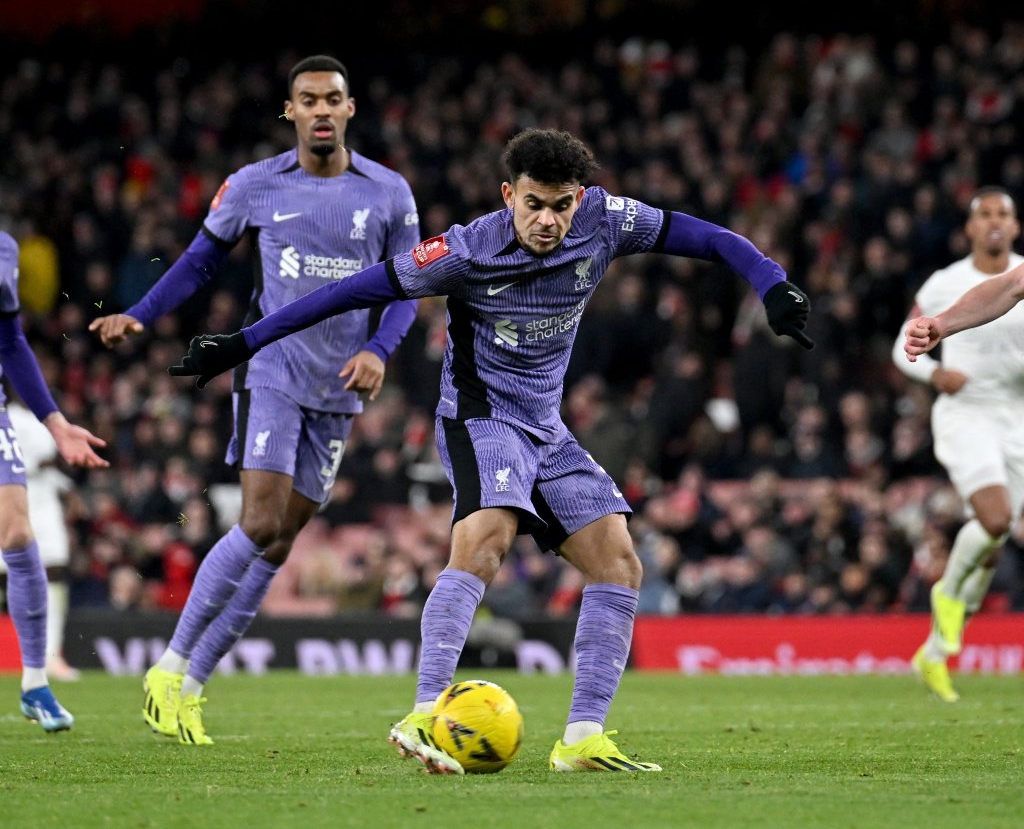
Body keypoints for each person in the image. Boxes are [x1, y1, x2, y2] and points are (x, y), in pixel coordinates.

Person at [169, 128, 812, 772]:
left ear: (579, 198)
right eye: (534, 203)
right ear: (509, 195)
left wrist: (772, 282)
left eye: (561, 205)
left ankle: (582, 737)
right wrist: (245, 342)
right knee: (486, 541)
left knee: (619, 563)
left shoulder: (607, 220)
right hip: (479, 417)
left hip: (545, 425)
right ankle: (424, 715)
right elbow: (358, 289)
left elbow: (711, 238)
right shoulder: (466, 250)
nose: (548, 219)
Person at [89, 55, 421, 745]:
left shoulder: (390, 194)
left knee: (277, 545)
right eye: (308, 100)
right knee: (259, 520)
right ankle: (168, 668)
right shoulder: (253, 185)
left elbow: (407, 293)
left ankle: (192, 688)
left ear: (350, 109)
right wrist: (143, 314)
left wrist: (377, 352)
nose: (322, 109)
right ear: (290, 112)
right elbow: (200, 261)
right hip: (271, 370)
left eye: (334, 98)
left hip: (339, 389)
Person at [899, 186, 1024, 702]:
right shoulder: (946, 282)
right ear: (971, 226)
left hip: (1018, 416)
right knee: (996, 519)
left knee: (995, 539)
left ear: (1015, 226)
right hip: (967, 413)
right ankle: (948, 599)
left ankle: (934, 649)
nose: (996, 223)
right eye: (986, 214)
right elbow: (1006, 290)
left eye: (1005, 215)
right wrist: (935, 363)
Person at [0, 230, 109, 731]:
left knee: (19, 535)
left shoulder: (4, 248)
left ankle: (36, 684)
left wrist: (55, 421)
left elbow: (11, 340)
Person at [0, 401, 80, 682]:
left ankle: (52, 655)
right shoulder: (10, 417)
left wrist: (67, 490)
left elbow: (49, 463)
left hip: (44, 497)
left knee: (55, 568)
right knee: (8, 570)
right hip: (10, 491)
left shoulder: (45, 416)